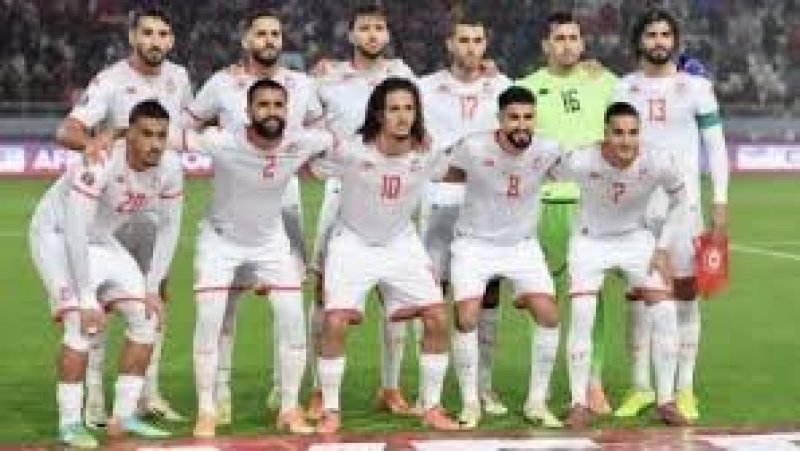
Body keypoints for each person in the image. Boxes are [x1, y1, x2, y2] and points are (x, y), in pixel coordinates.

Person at [183, 9, 323, 421]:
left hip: (282, 194)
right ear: (246, 39)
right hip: (233, 192)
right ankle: (218, 395)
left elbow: (326, 133)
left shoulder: (302, 85)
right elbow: (185, 125)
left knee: (288, 306)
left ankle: (284, 394)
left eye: (275, 33)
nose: (269, 40)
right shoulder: (222, 83)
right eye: (261, 34)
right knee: (223, 308)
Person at [54, 7, 191, 425]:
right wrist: (95, 143)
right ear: (133, 37)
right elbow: (67, 130)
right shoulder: (111, 80)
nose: (155, 42)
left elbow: (184, 129)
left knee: (153, 296)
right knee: (100, 297)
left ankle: (147, 393)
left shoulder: (179, 78)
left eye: (163, 34)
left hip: (152, 207)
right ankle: (94, 396)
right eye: (147, 33)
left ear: (171, 40)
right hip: (109, 209)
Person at [311, 77, 460, 433]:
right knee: (334, 322)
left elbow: (455, 171)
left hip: (400, 242)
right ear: (379, 114)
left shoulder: (426, 154)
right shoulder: (351, 151)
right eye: (394, 109)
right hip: (352, 241)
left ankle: (432, 406)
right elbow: (309, 168)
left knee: (437, 318)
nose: (403, 116)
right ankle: (330, 409)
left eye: (409, 109)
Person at [30, 100, 180, 448]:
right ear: (129, 136)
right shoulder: (101, 161)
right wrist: (85, 298)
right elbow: (75, 229)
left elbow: (170, 226)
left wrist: (153, 286)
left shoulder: (170, 167)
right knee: (82, 324)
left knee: (146, 318)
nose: (155, 143)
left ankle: (123, 418)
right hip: (57, 236)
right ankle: (69, 423)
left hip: (101, 238)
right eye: (146, 134)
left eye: (161, 135)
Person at [612, 9, 729, 422]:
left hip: (684, 209)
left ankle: (684, 388)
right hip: (636, 210)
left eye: (665, 34)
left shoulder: (696, 87)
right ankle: (640, 386)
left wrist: (720, 202)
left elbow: (716, 147)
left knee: (685, 294)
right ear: (638, 40)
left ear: (675, 41)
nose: (659, 41)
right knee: (639, 298)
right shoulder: (622, 88)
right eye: (651, 34)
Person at [307, 4, 417, 419]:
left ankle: (390, 387)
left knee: (396, 291)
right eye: (365, 28)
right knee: (323, 291)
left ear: (386, 35)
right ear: (351, 35)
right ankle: (318, 390)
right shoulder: (327, 78)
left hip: (393, 190)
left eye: (379, 28)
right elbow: (295, 109)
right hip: (342, 188)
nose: (373, 34)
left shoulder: (403, 75)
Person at [556, 102, 689, 429]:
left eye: (632, 133)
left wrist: (662, 247)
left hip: (636, 239)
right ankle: (578, 402)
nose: (626, 141)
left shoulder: (657, 160)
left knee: (665, 311)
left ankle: (666, 401)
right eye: (618, 133)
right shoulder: (581, 159)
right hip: (589, 240)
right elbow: (536, 175)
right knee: (583, 314)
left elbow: (681, 199)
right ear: (605, 133)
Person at [515, 12, 618, 415]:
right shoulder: (527, 87)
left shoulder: (604, 82)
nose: (567, 45)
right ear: (546, 45)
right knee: (542, 297)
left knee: (591, 297)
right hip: (542, 205)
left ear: (583, 43)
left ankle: (593, 381)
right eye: (559, 38)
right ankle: (540, 386)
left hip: (592, 203)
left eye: (574, 37)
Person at [445, 87, 561, 429]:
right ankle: (471, 403)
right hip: (474, 244)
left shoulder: (549, 149)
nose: (521, 124)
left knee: (549, 315)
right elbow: (441, 170)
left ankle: (536, 403)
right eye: (513, 117)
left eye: (528, 117)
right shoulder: (473, 147)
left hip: (521, 245)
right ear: (499, 119)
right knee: (467, 317)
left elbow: (580, 172)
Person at [417, 11, 512, 417]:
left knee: (487, 297)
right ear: (449, 44)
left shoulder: (503, 87)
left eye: (477, 41)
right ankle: (430, 394)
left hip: (486, 205)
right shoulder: (424, 88)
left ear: (485, 45)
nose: (471, 49)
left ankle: (483, 387)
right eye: (464, 41)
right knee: (433, 298)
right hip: (438, 201)